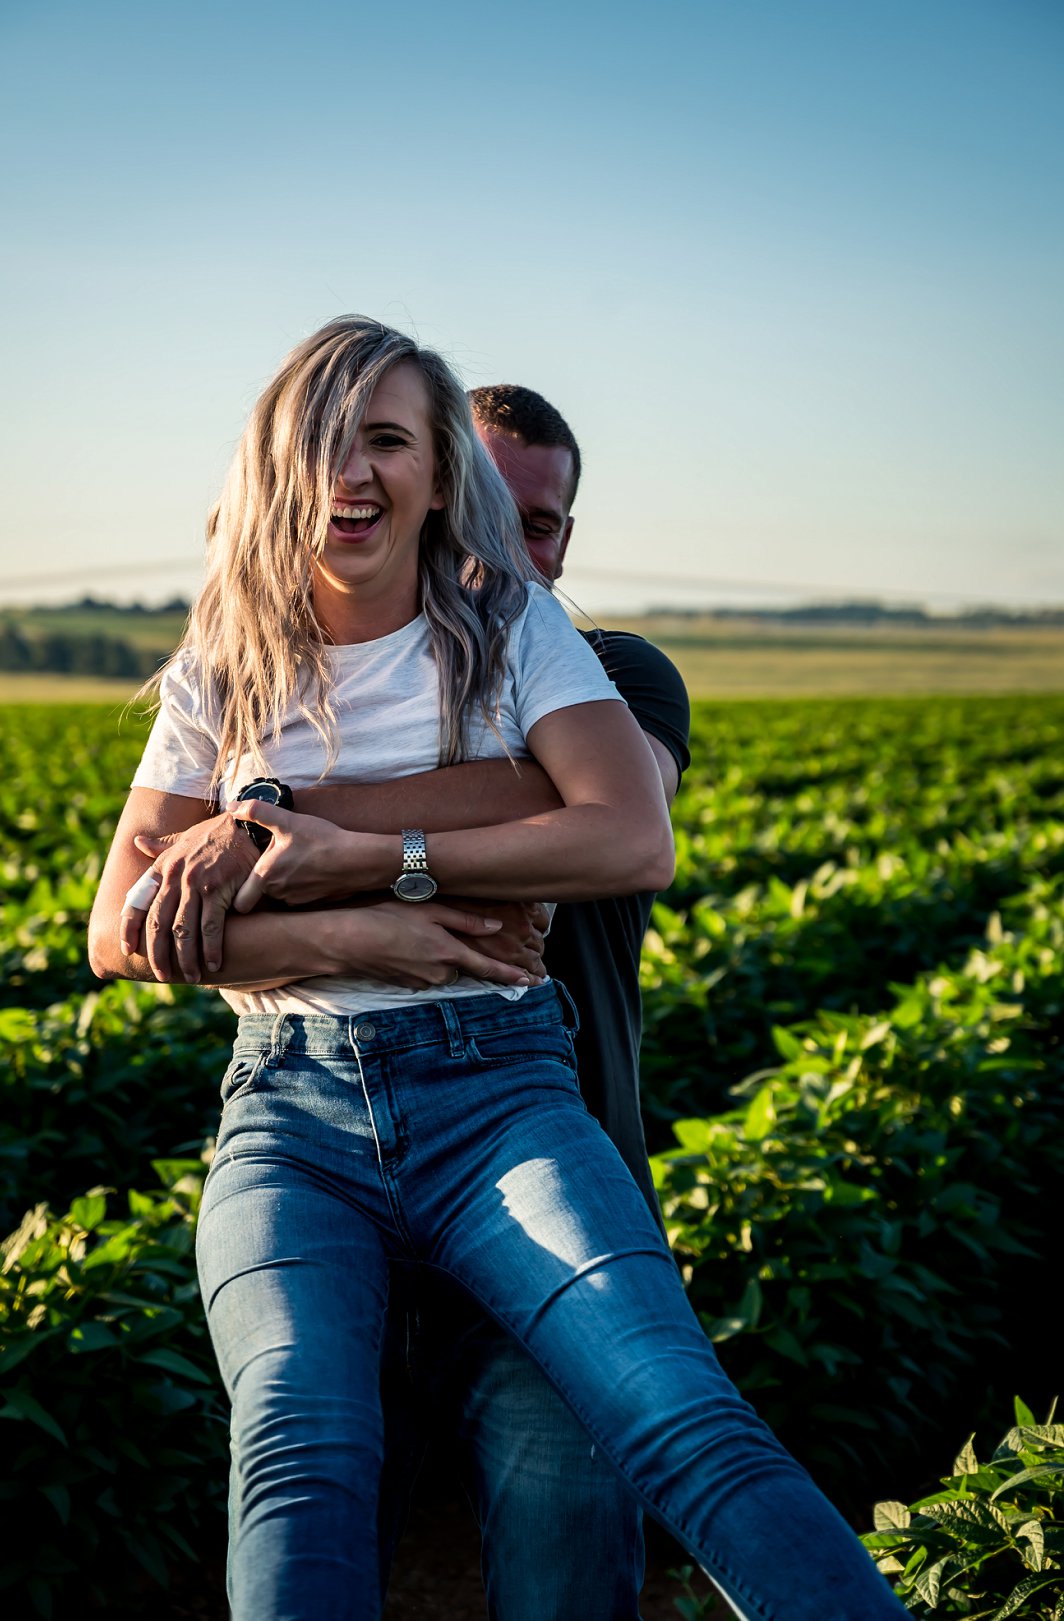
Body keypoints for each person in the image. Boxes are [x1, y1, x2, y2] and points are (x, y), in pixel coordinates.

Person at [88, 315, 907, 1621]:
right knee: (302, 1453)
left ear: (440, 481)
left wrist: (293, 837)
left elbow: (625, 825)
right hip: (295, 1107)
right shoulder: (224, 665)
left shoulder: (557, 650)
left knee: (662, 1438)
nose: (351, 471)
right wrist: (359, 929)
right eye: (323, 436)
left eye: (388, 440)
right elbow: (121, 922)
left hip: (509, 1096)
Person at [119, 379, 688, 1620]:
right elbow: (133, 922)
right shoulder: (304, 681)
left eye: (533, 524)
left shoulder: (609, 673)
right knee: (324, 1515)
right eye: (482, 508)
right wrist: (322, 890)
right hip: (341, 1169)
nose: (500, 548)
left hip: (546, 1162)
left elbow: (604, 806)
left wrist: (257, 818)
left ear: (562, 540)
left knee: (568, 1558)